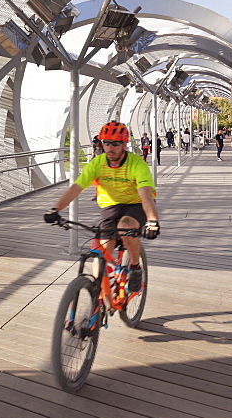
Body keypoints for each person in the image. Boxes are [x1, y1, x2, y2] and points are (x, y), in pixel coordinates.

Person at [44, 121, 160, 293]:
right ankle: (97, 298)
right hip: (110, 207)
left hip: (135, 204)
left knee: (125, 227)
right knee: (101, 250)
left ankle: (135, 267)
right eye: (106, 142)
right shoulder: (98, 163)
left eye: (115, 143)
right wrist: (55, 209)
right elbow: (76, 187)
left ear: (124, 144)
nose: (110, 148)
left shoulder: (137, 164)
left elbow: (145, 194)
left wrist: (152, 221)